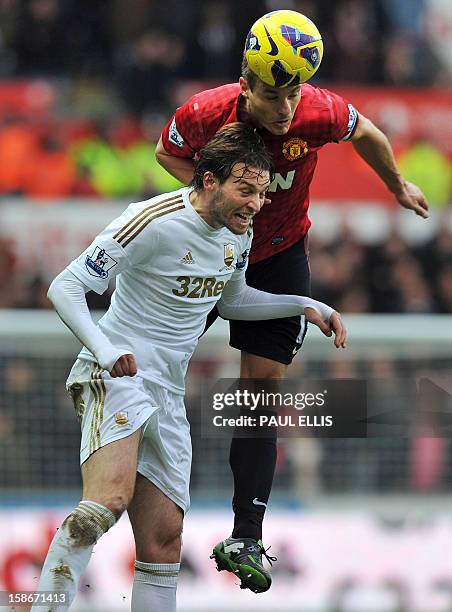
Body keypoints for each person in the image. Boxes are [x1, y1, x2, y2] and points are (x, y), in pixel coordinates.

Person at [155, 10, 429, 594]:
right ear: (246, 82)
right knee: (160, 366)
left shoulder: (319, 111)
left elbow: (370, 135)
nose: (285, 108)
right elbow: (166, 153)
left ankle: (246, 534)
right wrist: (212, 207)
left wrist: (396, 185)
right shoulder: (205, 112)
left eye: (293, 93)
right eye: (273, 94)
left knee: (260, 390)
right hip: (209, 251)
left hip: (281, 255)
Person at [34, 123, 346, 612]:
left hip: (167, 392)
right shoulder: (152, 219)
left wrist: (303, 304)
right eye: (245, 189)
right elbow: (66, 286)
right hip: (117, 376)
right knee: (107, 502)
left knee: (164, 543)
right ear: (208, 181)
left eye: (262, 193)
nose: (255, 203)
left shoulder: (238, 234)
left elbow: (236, 300)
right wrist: (103, 349)